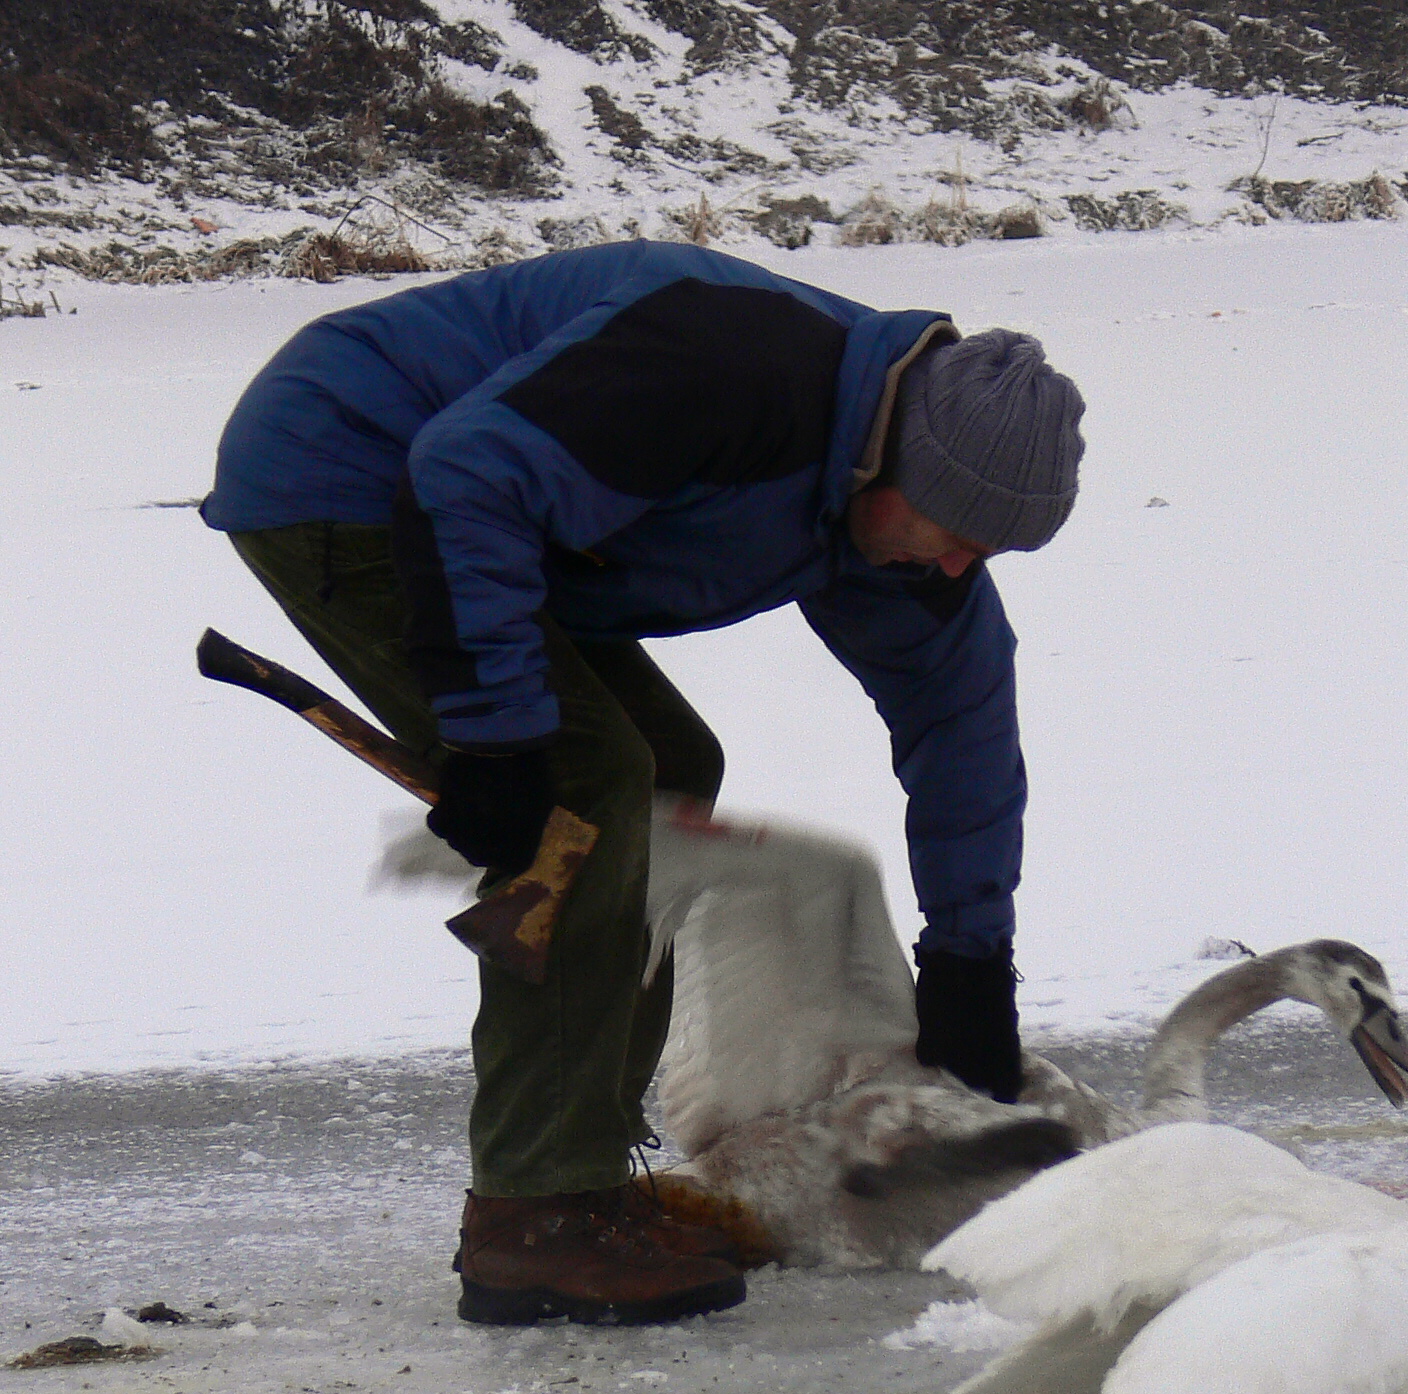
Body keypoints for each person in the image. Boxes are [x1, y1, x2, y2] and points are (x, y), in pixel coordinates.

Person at [200, 241, 1085, 1329]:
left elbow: (963, 724)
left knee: (665, 777)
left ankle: (590, 1171)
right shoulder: (728, 371)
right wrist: (495, 737)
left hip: (508, 516)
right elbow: (466, 474)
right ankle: (535, 1213)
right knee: (587, 784)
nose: (956, 569)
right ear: (896, 469)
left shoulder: (897, 518)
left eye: (985, 555)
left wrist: (967, 953)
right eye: (954, 537)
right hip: (353, 467)